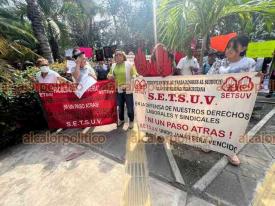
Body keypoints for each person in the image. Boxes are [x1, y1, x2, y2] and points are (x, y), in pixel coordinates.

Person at [207, 35, 260, 166]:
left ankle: (230, 151)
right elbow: (207, 79)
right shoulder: (219, 63)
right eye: (228, 47)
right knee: (213, 122)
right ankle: (209, 143)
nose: (229, 50)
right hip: (217, 101)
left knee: (232, 127)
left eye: (233, 47)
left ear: (243, 48)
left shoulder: (249, 63)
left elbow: (251, 84)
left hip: (236, 104)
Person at [107, 49, 137, 129]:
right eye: (116, 55)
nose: (117, 56)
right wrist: (109, 76)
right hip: (118, 90)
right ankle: (121, 119)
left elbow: (135, 74)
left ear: (123, 56)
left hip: (128, 89)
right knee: (120, 107)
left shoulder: (129, 64)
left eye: (119, 55)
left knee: (130, 107)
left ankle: (131, 120)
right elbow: (109, 75)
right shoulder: (113, 66)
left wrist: (132, 80)